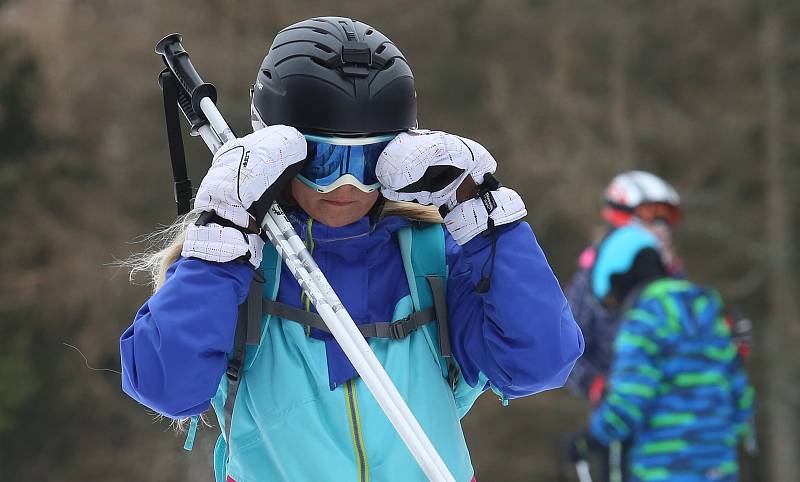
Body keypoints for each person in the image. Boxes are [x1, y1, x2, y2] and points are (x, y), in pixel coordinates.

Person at [119, 17, 584, 482]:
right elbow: (167, 386)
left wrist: (482, 211)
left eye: (367, 161)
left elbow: (540, 362)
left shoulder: (431, 259)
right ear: (275, 152)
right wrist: (220, 230)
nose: (346, 185)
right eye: (323, 160)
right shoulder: (237, 265)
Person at [588, 225, 754, 482]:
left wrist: (594, 435)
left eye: (613, 297)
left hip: (662, 468)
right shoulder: (710, 313)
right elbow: (741, 400)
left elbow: (630, 402)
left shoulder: (643, 319)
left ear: (620, 276)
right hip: (718, 470)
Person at [565, 171, 683, 404]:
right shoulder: (592, 276)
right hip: (623, 402)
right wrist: (597, 386)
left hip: (673, 401)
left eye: (667, 216)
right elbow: (568, 344)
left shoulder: (673, 275)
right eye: (651, 213)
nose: (662, 226)